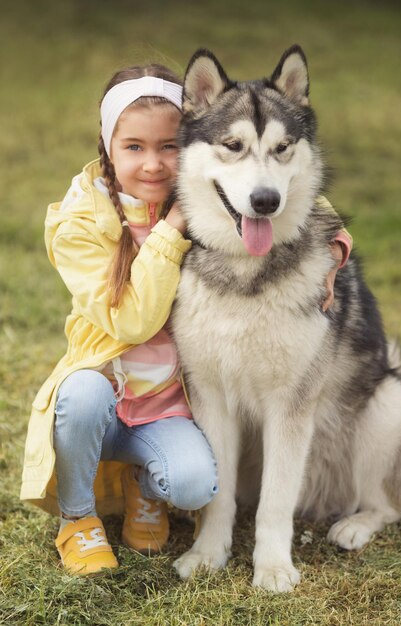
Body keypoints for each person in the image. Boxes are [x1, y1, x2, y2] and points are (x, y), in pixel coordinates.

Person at [20, 63, 352, 577]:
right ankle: (78, 518)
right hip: (103, 395)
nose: (153, 164)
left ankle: (146, 484)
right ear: (106, 148)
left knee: (195, 482)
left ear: (183, 142)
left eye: (166, 147)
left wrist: (335, 241)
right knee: (82, 396)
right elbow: (130, 320)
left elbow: (289, 187)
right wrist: (174, 228)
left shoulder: (207, 200)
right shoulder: (86, 220)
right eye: (133, 147)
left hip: (164, 409)